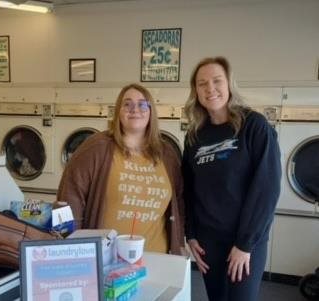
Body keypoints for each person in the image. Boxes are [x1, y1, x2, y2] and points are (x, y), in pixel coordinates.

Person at [182, 56, 281, 301]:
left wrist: (245, 244)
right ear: (196, 91)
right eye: (202, 83)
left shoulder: (253, 127)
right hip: (209, 240)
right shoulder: (195, 136)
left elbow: (266, 190)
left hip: (246, 240)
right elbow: (188, 187)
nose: (210, 89)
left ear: (229, 85)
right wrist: (191, 233)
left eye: (217, 81)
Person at [57, 83, 185, 255]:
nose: (135, 109)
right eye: (127, 104)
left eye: (142, 104)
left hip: (156, 259)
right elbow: (67, 199)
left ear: (151, 111)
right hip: (105, 259)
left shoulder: (166, 154)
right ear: (118, 111)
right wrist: (68, 248)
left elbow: (179, 202)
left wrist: (180, 242)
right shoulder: (96, 148)